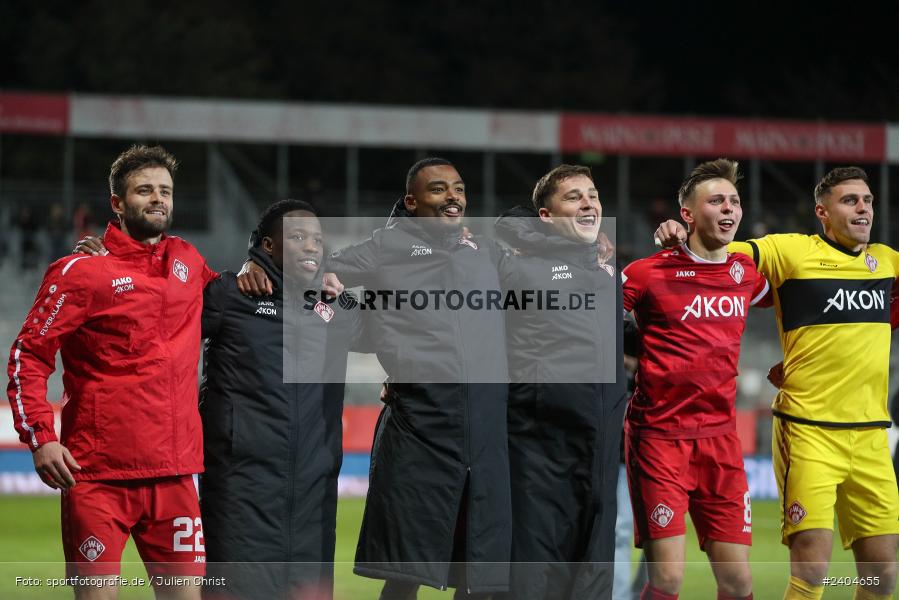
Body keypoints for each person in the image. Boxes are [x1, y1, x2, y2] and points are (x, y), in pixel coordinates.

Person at [240, 158, 513, 599]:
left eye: (459, 189)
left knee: (479, 572)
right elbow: (307, 262)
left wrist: (593, 250)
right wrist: (253, 262)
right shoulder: (388, 246)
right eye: (439, 190)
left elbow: (532, 261)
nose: (454, 197)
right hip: (421, 430)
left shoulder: (483, 250)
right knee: (405, 572)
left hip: (484, 437)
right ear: (411, 201)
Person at [655, 166, 899, 600]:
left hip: (872, 436)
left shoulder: (888, 261)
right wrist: (681, 234)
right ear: (822, 212)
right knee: (813, 573)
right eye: (850, 201)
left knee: (882, 576)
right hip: (809, 432)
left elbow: (884, 317)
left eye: (868, 200)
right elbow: (724, 254)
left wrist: (820, 354)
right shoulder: (790, 251)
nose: (864, 208)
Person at [6, 145, 217, 600]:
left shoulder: (188, 261)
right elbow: (29, 355)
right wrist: (41, 437)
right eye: (144, 190)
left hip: (175, 475)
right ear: (118, 204)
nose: (158, 199)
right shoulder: (81, 272)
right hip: (98, 476)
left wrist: (270, 272)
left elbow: (238, 308)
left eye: (165, 190)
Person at [199, 199, 367, 600]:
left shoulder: (332, 307)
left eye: (317, 240)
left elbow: (393, 336)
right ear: (269, 246)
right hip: (242, 491)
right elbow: (162, 312)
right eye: (297, 237)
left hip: (313, 495)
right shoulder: (231, 294)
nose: (311, 246)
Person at [624, 159, 770, 600]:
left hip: (721, 442)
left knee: (739, 581)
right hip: (660, 439)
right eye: (716, 201)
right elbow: (592, 318)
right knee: (668, 579)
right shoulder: (649, 272)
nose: (729, 209)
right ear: (687, 214)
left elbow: (801, 306)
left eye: (735, 201)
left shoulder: (746, 274)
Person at [491, 165, 626, 600]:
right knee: (533, 576)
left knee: (591, 575)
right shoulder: (515, 270)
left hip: (600, 450)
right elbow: (504, 222)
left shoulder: (610, 276)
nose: (589, 203)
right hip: (536, 451)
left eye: (593, 194)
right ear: (545, 217)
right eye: (574, 197)